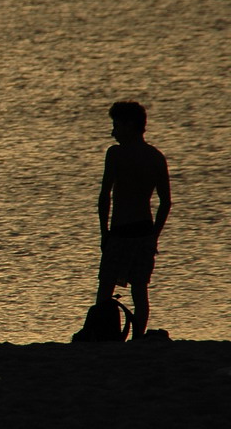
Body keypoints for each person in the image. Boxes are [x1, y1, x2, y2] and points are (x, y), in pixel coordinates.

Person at [96, 101, 171, 340]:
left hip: (120, 232)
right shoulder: (156, 157)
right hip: (143, 231)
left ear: (130, 125)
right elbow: (165, 203)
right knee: (140, 290)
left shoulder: (116, 154)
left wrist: (104, 233)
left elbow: (104, 195)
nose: (113, 132)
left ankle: (103, 335)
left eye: (116, 125)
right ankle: (137, 337)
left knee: (106, 287)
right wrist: (154, 236)